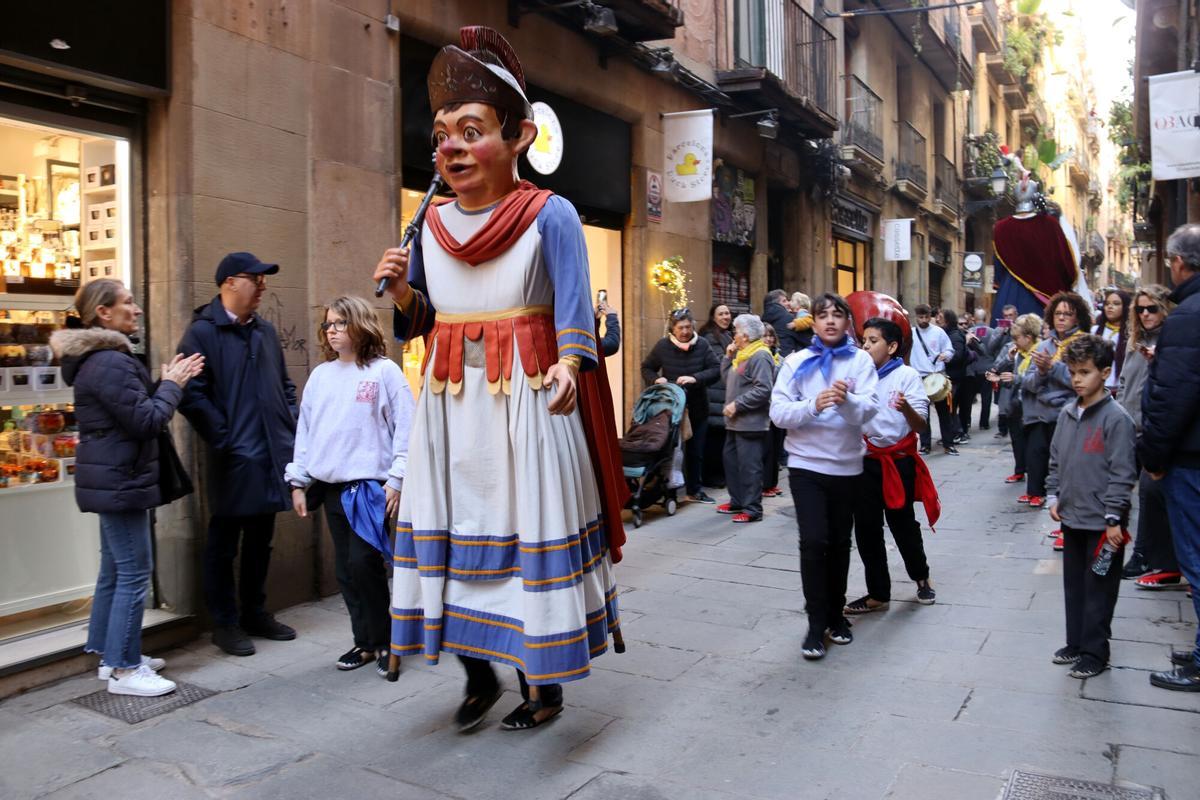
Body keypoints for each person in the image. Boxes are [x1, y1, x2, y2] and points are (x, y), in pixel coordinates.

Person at [371, 26, 627, 730]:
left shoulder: (553, 217)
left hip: (527, 400)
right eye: (443, 134)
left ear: (518, 138)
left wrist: (573, 365)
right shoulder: (426, 226)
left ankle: (542, 686)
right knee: (453, 539)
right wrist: (401, 296)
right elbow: (424, 321)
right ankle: (477, 675)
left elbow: (575, 315)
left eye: (471, 130)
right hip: (451, 410)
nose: (450, 147)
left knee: (524, 536)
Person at [51, 279, 205, 696]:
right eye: (128, 303)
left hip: (114, 477)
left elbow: (132, 413)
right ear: (104, 313)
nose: (136, 310)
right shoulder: (110, 362)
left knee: (115, 570)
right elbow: (147, 422)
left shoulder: (99, 360)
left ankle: (109, 653)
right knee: (134, 573)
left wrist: (164, 384)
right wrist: (172, 385)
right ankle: (123, 668)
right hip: (121, 480)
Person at [177, 252, 299, 657]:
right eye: (255, 279)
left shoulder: (264, 331)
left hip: (268, 454)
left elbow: (283, 385)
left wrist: (289, 425)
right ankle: (225, 624)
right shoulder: (201, 333)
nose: (262, 286)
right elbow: (190, 394)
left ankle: (255, 613)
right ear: (229, 282)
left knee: (261, 541)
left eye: (265, 280)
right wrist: (224, 438)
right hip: (232, 457)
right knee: (223, 543)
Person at [284, 296, 414, 676]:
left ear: (360, 324)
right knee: (346, 570)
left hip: (369, 489)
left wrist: (397, 478)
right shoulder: (322, 376)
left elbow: (407, 427)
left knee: (364, 564)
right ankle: (366, 642)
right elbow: (305, 431)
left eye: (340, 322)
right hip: (330, 486)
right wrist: (298, 480)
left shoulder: (384, 372)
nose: (332, 330)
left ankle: (388, 642)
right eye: (328, 324)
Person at [770, 293, 879, 660]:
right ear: (812, 322)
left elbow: (868, 411)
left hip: (847, 467)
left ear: (848, 322)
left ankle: (836, 615)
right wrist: (813, 405)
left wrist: (845, 400)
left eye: (837, 315)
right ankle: (815, 622)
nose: (830, 321)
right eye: (823, 315)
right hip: (806, 467)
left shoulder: (861, 361)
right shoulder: (796, 363)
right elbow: (779, 413)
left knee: (839, 543)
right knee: (814, 542)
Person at [1046, 335, 1137, 679]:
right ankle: (1076, 642)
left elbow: (1122, 473)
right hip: (1073, 516)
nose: (1077, 379)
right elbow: (1056, 459)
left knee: (1099, 588)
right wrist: (1054, 496)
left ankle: (1095, 652)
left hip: (1105, 523)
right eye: (1072, 372)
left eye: (1085, 372)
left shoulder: (1117, 419)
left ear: (1104, 371)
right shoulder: (1068, 414)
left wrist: (1114, 516)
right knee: (1074, 585)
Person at [1140, 223, 1200, 691]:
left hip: (1191, 458)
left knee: (1196, 559)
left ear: (1180, 263)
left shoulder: (1187, 317)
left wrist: (1154, 455)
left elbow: (1174, 395)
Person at [846, 317, 938, 615]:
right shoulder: (859, 375)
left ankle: (921, 578)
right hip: (864, 463)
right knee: (867, 529)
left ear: (892, 346)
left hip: (897, 463)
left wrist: (906, 407)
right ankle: (878, 593)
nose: (866, 345)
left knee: (903, 524)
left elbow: (921, 424)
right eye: (864, 340)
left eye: (873, 341)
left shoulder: (907, 375)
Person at [1118, 285, 1179, 585]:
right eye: (1140, 309)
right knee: (1128, 490)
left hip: (1152, 430)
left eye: (1151, 308)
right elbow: (1126, 384)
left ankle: (1144, 554)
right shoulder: (1135, 343)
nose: (1145, 314)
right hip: (1129, 427)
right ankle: (1134, 549)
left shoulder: (1172, 342)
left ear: (1163, 309)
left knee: (1149, 490)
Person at [1020, 292, 1091, 513]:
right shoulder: (1043, 347)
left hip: (1068, 413)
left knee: (1067, 467)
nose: (1061, 318)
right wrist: (1041, 373)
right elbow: (1028, 383)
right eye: (1058, 313)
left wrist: (1052, 368)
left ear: (1077, 318)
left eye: (1067, 314)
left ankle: (1069, 511)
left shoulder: (1083, 344)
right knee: (1039, 459)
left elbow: (1082, 381)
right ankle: (1045, 500)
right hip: (1041, 414)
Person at [642, 309, 720, 503]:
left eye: (688, 327)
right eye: (680, 328)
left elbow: (716, 370)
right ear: (672, 329)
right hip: (670, 408)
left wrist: (695, 378)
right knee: (668, 450)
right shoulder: (662, 346)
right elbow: (646, 367)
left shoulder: (702, 344)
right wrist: (655, 380)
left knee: (696, 452)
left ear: (693, 326)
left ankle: (695, 490)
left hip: (697, 407)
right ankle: (667, 490)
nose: (685, 331)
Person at [715, 314, 775, 523]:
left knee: (750, 467)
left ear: (747, 335)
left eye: (737, 332)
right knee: (731, 462)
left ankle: (752, 509)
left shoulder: (760, 356)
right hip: (734, 423)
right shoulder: (742, 354)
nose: (734, 336)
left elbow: (764, 389)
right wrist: (727, 357)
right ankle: (738, 501)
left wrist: (738, 404)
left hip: (750, 422)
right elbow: (727, 380)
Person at [986, 313, 1043, 487]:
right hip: (1016, 403)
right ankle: (1019, 471)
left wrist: (1014, 378)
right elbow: (998, 367)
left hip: (1034, 406)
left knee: (1035, 448)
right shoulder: (1016, 351)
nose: (1014, 341)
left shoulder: (1040, 352)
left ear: (1028, 337)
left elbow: (1034, 381)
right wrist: (1009, 359)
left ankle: (1036, 485)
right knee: (1017, 440)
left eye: (1017, 338)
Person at [909, 304, 958, 456]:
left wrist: (946, 356)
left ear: (930, 316)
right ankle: (925, 445)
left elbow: (950, 350)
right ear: (916, 317)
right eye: (920, 317)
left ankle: (948, 444)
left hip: (937, 375)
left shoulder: (939, 332)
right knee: (923, 413)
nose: (923, 320)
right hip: (919, 376)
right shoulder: (910, 333)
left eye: (926, 317)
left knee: (944, 413)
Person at [699, 303, 733, 489]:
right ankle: (712, 476)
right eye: (721, 314)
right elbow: (720, 362)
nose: (726, 317)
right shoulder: (710, 337)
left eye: (727, 313)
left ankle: (719, 475)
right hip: (714, 393)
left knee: (720, 438)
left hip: (724, 392)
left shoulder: (727, 335)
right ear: (713, 317)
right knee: (714, 438)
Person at [984, 305, 1019, 438]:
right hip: (1002, 365)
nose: (1008, 318)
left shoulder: (1020, 328)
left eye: (1011, 315)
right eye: (1006, 316)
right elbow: (990, 347)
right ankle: (1002, 428)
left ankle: (1014, 424)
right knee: (1001, 400)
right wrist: (1002, 332)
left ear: (1016, 315)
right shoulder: (999, 329)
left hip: (1016, 366)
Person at [948, 310, 981, 442]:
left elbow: (980, 352)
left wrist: (970, 342)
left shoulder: (968, 337)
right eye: (960, 324)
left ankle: (963, 431)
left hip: (969, 376)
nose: (963, 326)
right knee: (952, 406)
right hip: (957, 377)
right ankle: (956, 431)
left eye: (965, 324)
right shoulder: (955, 337)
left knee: (965, 406)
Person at [760, 323, 784, 497]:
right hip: (764, 409)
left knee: (776, 447)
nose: (769, 339)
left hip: (778, 407)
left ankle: (772, 483)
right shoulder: (759, 356)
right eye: (765, 335)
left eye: (771, 335)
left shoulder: (779, 357)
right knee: (766, 448)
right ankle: (765, 484)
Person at [1093, 289, 1131, 395]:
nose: (1110, 307)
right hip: (1098, 389)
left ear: (1125, 307)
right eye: (1107, 304)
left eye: (1116, 303)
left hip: (1121, 391)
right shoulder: (1094, 331)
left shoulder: (1132, 334)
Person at [972, 308, 995, 431]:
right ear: (986, 319)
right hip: (988, 369)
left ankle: (967, 423)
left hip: (973, 369)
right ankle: (984, 423)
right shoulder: (993, 332)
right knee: (986, 397)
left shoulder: (969, 332)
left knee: (969, 398)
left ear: (974, 319)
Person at [762, 289, 805, 357]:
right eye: (784, 301)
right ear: (775, 304)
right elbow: (808, 340)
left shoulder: (762, 322)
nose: (788, 303)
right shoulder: (790, 319)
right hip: (789, 360)